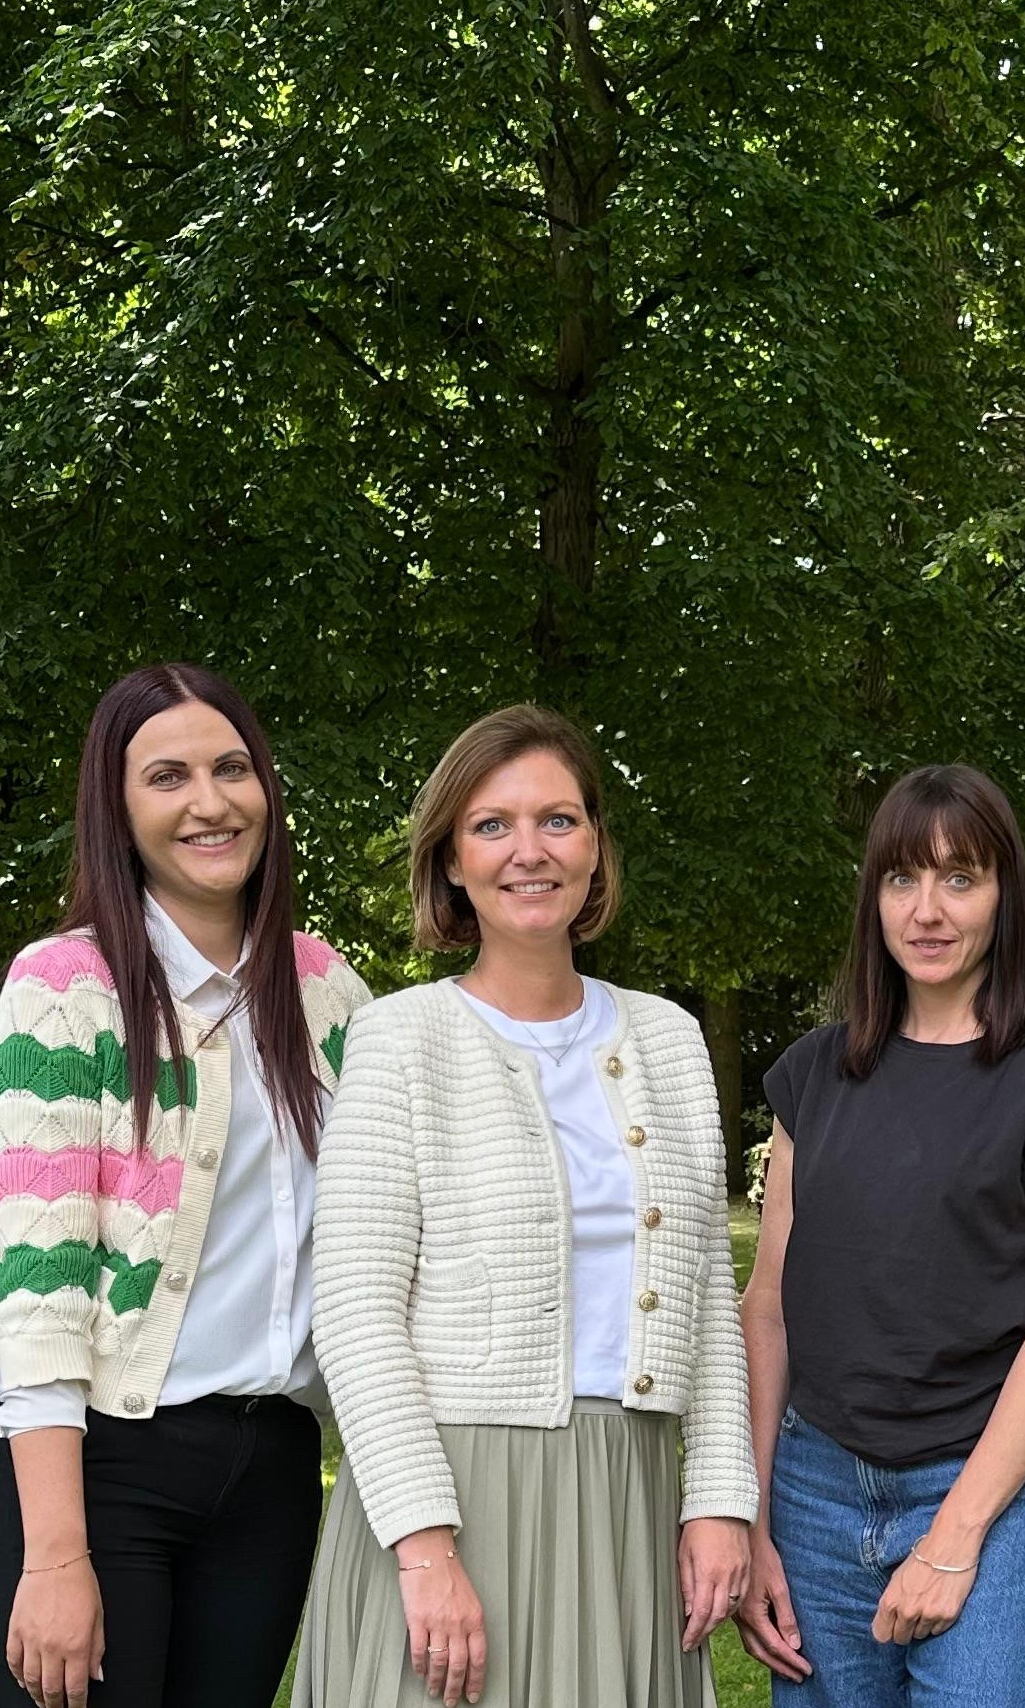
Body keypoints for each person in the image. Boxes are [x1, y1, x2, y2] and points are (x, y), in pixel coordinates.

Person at [298, 704, 755, 1708]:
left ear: (595, 849)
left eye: (558, 820)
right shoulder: (399, 1039)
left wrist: (720, 1498)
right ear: (452, 861)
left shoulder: (669, 1040)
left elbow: (710, 1295)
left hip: (628, 1495)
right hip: (450, 1500)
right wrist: (424, 1546)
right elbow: (357, 1312)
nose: (529, 850)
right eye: (492, 824)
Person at [0, 664, 375, 1708]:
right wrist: (55, 1558)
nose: (210, 800)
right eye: (168, 775)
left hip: (271, 1467)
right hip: (93, 1466)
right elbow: (42, 1284)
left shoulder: (329, 992)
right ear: (119, 805)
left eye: (233, 768)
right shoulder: (63, 988)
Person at [736, 763, 1025, 1708]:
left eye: (961, 878)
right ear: (873, 896)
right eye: (902, 878)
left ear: (1006, 898)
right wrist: (751, 1519)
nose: (928, 909)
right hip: (814, 1489)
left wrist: (954, 1538)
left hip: (986, 1493)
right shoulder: (813, 1074)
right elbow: (769, 1308)